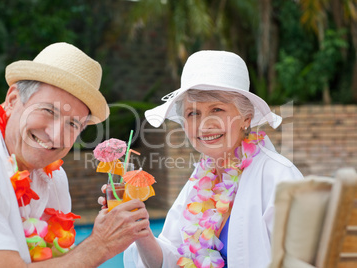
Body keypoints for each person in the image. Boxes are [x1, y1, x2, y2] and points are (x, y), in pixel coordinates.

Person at [0, 42, 150, 267]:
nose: (56, 136)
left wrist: (110, 231)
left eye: (73, 124)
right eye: (48, 111)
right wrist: (101, 244)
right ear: (12, 100)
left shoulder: (54, 177)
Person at [123, 50, 304, 267]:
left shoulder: (279, 176)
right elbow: (170, 258)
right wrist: (139, 229)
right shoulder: (199, 181)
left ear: (246, 117)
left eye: (217, 109)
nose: (204, 124)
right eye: (193, 113)